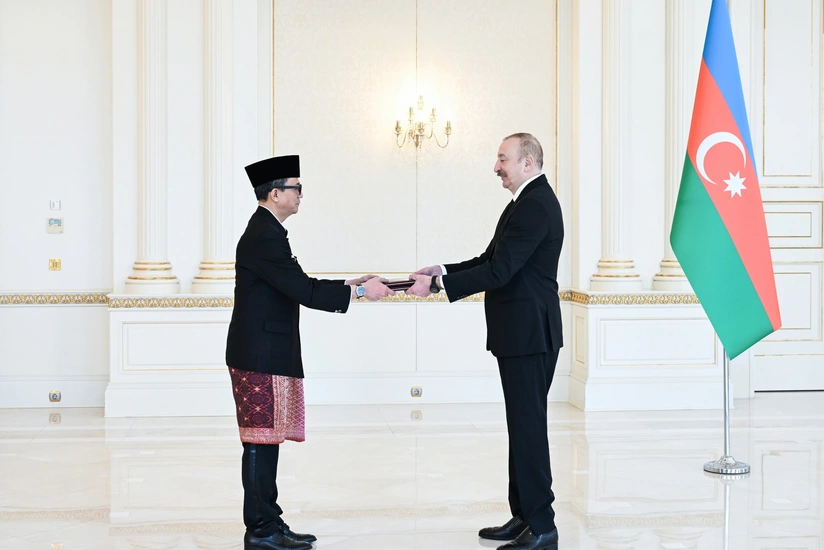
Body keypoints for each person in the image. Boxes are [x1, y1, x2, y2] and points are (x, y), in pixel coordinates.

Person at [225, 154, 393, 550]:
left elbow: (296, 282)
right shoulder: (264, 235)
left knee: (267, 441)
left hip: (264, 351)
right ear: (275, 193)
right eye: (296, 188)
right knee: (259, 441)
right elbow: (302, 290)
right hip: (258, 353)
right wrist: (361, 292)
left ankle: (270, 521)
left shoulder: (269, 231)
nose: (301, 194)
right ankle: (261, 530)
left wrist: (348, 284)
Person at [407, 133, 563, 550]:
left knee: (529, 429)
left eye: (503, 159)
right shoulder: (523, 204)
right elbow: (488, 261)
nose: (496, 167)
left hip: (530, 334)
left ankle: (543, 526)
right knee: (521, 426)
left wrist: (438, 287)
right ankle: (524, 516)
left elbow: (500, 272)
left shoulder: (535, 205)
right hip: (520, 334)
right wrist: (441, 271)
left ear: (528, 162)